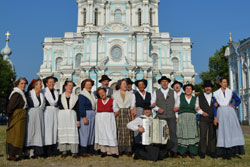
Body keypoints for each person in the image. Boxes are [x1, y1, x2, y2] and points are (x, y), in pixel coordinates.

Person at [213, 77, 245, 160]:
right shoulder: (216, 93)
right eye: (223, 82)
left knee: (231, 131)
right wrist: (215, 117)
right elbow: (214, 106)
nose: (225, 84)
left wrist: (234, 106)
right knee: (222, 131)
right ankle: (223, 153)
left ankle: (231, 152)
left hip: (230, 113)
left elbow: (238, 100)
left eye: (226, 82)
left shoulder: (230, 92)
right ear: (220, 83)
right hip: (221, 113)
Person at [151, 76, 178, 158]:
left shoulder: (173, 92)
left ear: (168, 83)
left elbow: (177, 104)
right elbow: (152, 103)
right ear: (160, 83)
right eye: (163, 81)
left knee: (173, 133)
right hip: (161, 116)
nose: (164, 83)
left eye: (166, 81)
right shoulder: (156, 92)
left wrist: (176, 115)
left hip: (171, 115)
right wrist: (157, 109)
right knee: (161, 134)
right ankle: (162, 151)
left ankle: (174, 151)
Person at [174, 83, 202, 158]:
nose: (188, 90)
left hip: (192, 117)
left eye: (190, 89)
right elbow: (176, 108)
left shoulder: (195, 98)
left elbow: (197, 108)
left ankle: (192, 152)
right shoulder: (180, 97)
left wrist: (203, 113)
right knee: (182, 134)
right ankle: (183, 152)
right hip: (182, 117)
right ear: (184, 90)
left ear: (192, 90)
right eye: (187, 89)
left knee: (192, 134)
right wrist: (177, 117)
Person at [6, 78, 28, 161]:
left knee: (19, 135)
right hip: (17, 115)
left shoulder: (21, 93)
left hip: (20, 115)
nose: (23, 85)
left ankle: (15, 153)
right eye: (21, 83)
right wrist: (8, 115)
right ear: (17, 84)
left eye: (24, 83)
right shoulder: (16, 94)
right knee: (15, 134)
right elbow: (11, 106)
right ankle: (12, 154)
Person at [57, 81, 80, 158]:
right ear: (65, 87)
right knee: (63, 133)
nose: (70, 87)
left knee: (72, 134)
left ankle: (74, 152)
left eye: (72, 86)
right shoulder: (60, 96)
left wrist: (78, 120)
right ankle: (64, 151)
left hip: (72, 116)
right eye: (69, 85)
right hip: (62, 117)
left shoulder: (75, 97)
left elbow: (77, 109)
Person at [113, 79, 135, 156]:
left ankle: (128, 150)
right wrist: (116, 111)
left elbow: (132, 106)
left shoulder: (131, 94)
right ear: (119, 85)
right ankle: (120, 149)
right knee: (119, 131)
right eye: (123, 84)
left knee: (128, 131)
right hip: (119, 113)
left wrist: (132, 115)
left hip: (127, 112)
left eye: (126, 84)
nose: (125, 85)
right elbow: (114, 105)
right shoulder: (115, 94)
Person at [94, 87, 119, 158]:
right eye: (100, 93)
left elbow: (116, 111)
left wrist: (110, 119)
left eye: (103, 92)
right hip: (100, 121)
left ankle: (113, 152)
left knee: (110, 134)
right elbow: (96, 110)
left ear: (106, 92)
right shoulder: (97, 101)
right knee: (102, 135)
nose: (102, 94)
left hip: (109, 120)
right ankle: (104, 151)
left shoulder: (112, 101)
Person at [26, 79, 45, 158]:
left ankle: (38, 151)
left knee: (39, 133)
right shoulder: (29, 94)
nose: (41, 85)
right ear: (35, 85)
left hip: (40, 116)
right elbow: (30, 104)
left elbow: (43, 105)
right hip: (32, 115)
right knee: (31, 132)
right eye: (40, 84)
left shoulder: (41, 95)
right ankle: (30, 151)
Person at [197, 80, 217, 159]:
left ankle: (212, 151)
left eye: (209, 87)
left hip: (212, 118)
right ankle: (202, 152)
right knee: (203, 135)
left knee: (212, 136)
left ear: (211, 88)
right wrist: (202, 113)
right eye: (206, 87)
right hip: (203, 118)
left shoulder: (215, 95)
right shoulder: (199, 96)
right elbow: (197, 107)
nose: (208, 88)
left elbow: (218, 105)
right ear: (204, 88)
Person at [78, 79, 96, 157]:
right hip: (86, 114)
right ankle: (83, 151)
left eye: (90, 84)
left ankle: (90, 149)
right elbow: (81, 107)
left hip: (92, 113)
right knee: (84, 133)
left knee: (91, 133)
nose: (89, 86)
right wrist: (84, 117)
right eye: (87, 85)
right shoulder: (82, 95)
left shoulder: (92, 94)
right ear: (84, 86)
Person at [43, 76, 59, 157]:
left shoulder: (56, 92)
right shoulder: (44, 92)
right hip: (47, 112)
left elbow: (56, 102)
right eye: (50, 82)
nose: (52, 84)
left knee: (54, 130)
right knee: (48, 131)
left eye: (53, 82)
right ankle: (47, 149)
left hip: (55, 112)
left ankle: (53, 148)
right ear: (46, 83)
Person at [134, 79, 152, 144]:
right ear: (137, 86)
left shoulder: (149, 94)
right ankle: (138, 144)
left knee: (147, 127)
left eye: (142, 85)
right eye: (139, 85)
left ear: (145, 85)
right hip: (138, 112)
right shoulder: (135, 94)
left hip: (147, 112)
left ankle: (147, 143)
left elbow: (151, 104)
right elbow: (133, 105)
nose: (141, 86)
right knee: (138, 127)